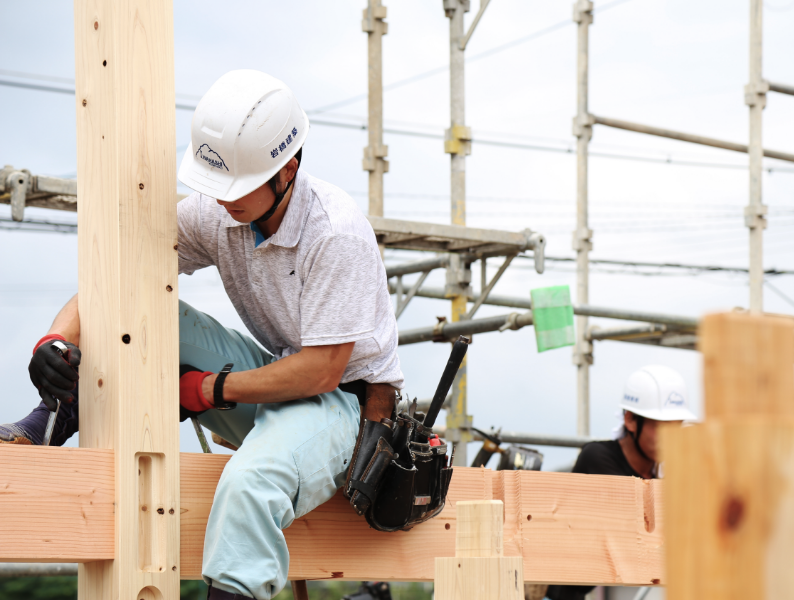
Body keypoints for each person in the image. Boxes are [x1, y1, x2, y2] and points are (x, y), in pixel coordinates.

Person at [0, 70, 403, 600]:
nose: (220, 202)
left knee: (248, 485)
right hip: (279, 381)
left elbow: (322, 370)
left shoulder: (335, 233)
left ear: (289, 168)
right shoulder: (219, 214)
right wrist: (53, 342)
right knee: (143, 306)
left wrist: (208, 390)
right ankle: (48, 422)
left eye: (235, 188)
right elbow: (119, 276)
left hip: (347, 407)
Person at [545, 364, 696, 600]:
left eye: (675, 427)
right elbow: (642, 522)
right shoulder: (597, 458)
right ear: (630, 420)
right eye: (660, 427)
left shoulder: (655, 475)